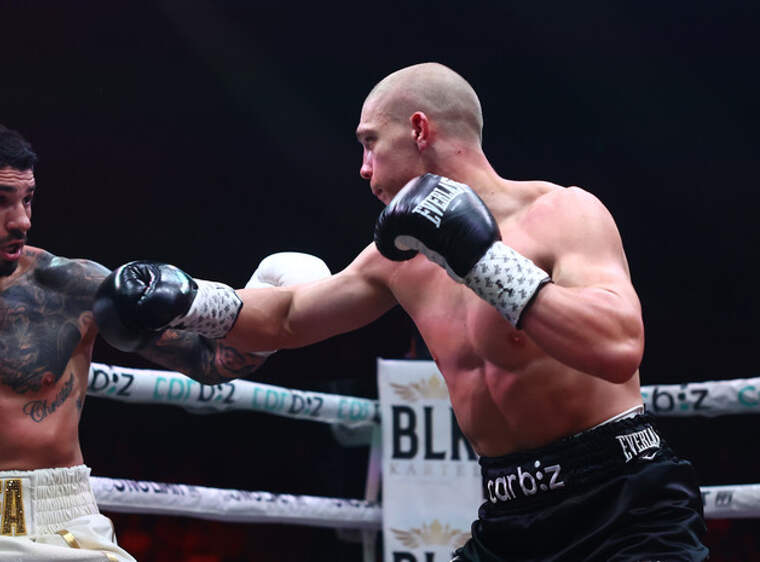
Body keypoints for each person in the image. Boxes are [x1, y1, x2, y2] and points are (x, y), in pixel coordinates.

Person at [93, 63, 709, 560]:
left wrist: (484, 260)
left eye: (370, 143)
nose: (364, 169)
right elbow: (288, 317)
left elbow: (618, 347)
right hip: (510, 514)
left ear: (419, 130)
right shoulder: (400, 257)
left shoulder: (563, 214)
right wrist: (190, 299)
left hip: (624, 505)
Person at [0, 119, 329, 561]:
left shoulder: (71, 287)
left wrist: (265, 303)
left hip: (63, 527)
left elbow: (213, 360)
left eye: (27, 199)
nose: (21, 220)